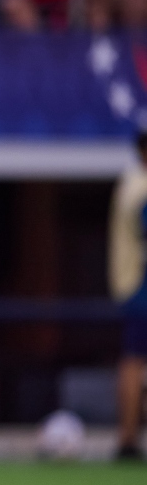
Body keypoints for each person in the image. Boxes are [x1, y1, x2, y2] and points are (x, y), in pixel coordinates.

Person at [109, 131, 147, 461]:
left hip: (132, 285)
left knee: (133, 360)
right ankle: (128, 437)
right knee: (134, 361)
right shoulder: (141, 186)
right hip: (142, 286)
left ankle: (128, 437)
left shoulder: (131, 180)